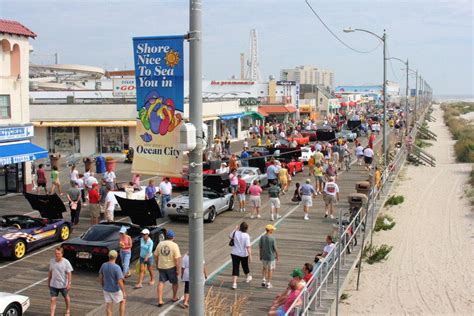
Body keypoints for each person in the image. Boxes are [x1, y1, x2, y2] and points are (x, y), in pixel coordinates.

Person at [154, 229, 181, 307]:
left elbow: (155, 256)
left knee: (161, 282)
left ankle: (160, 300)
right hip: (171, 267)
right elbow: (177, 259)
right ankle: (174, 297)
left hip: (161, 266)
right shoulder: (174, 245)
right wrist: (178, 269)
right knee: (175, 283)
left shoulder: (160, 244)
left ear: (166, 236)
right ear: (173, 237)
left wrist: (157, 265)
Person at [99, 250, 126, 316]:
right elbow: (120, 281)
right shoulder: (117, 267)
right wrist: (123, 291)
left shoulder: (104, 265)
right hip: (115, 289)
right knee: (123, 301)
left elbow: (100, 276)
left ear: (109, 256)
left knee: (109, 305)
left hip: (106, 289)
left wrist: (102, 285)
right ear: (116, 257)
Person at [48, 247, 73, 316]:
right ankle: (52, 314)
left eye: (58, 254)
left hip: (63, 285)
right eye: (56, 253)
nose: (57, 255)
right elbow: (50, 272)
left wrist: (69, 283)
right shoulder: (52, 261)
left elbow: (69, 273)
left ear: (62, 254)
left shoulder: (66, 262)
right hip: (53, 284)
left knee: (66, 298)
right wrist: (49, 281)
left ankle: (68, 310)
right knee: (53, 299)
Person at [229, 222, 252, 289]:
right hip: (243, 254)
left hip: (235, 253)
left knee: (235, 268)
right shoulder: (246, 236)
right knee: (245, 266)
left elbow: (230, 236)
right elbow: (248, 246)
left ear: (240, 227)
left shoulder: (236, 232)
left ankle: (234, 283)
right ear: (246, 229)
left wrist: (235, 229)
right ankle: (247, 277)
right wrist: (250, 255)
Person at [259, 224, 278, 289]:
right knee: (270, 270)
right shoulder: (272, 238)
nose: (273, 230)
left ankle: (263, 280)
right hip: (271, 257)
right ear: (269, 230)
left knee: (264, 268)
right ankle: (268, 283)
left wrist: (260, 255)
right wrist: (277, 256)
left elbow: (260, 247)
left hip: (264, 256)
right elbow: (275, 249)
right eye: (272, 229)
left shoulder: (262, 237)